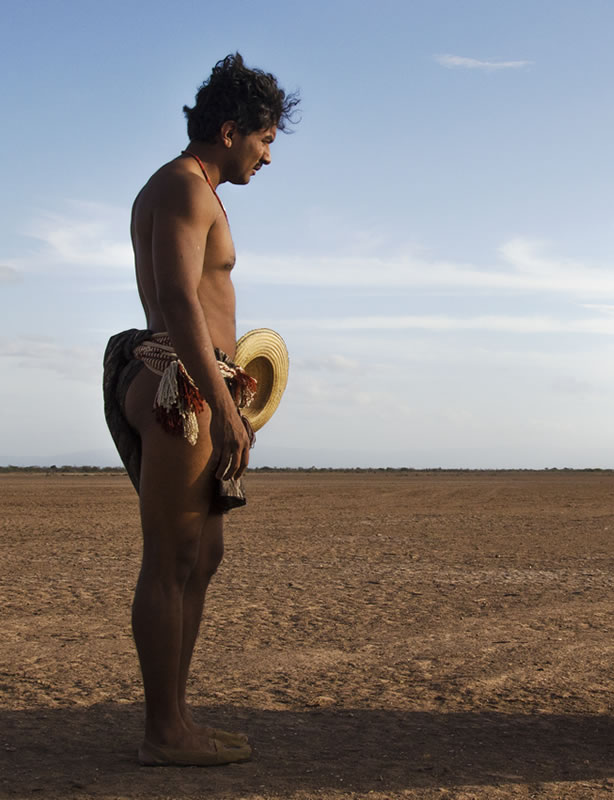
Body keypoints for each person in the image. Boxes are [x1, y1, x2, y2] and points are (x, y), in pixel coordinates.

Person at [102, 53, 299, 767]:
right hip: (179, 386)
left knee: (201, 556)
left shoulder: (189, 189)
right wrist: (220, 404)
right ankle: (163, 732)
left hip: (192, 378)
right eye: (265, 140)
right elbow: (183, 299)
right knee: (171, 558)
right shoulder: (185, 189)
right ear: (230, 129)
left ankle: (176, 719)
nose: (268, 157)